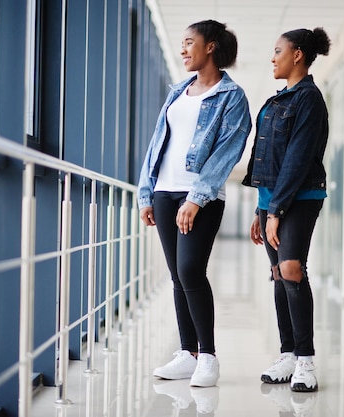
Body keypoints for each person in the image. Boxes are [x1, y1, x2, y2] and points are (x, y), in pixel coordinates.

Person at [137, 19, 252, 388]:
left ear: (211, 47)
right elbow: (158, 144)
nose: (184, 50)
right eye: (182, 44)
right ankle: (187, 353)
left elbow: (227, 152)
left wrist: (197, 198)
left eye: (190, 43)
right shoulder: (177, 91)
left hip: (199, 197)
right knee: (176, 275)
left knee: (190, 270)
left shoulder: (232, 97)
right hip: (165, 192)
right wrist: (146, 192)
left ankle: (208, 356)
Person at [242, 27, 331, 392]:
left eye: (278, 50)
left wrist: (276, 209)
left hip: (300, 198)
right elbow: (268, 161)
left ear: (297, 55)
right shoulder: (278, 99)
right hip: (271, 202)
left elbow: (296, 159)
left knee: (292, 269)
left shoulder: (308, 99)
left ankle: (306, 361)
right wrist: (260, 209)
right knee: (279, 273)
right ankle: (288, 354)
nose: (272, 57)